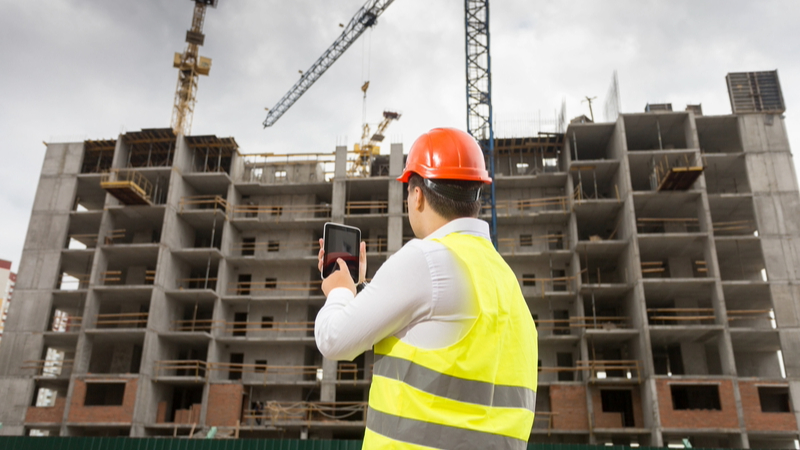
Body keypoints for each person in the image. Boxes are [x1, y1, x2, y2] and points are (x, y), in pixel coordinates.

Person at [315, 127, 538, 449]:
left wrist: (339, 291)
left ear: (417, 194)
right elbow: (437, 334)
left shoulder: (426, 259)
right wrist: (362, 289)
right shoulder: (504, 279)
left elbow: (334, 340)